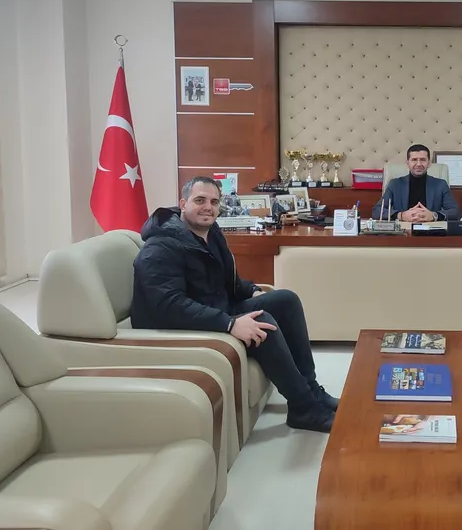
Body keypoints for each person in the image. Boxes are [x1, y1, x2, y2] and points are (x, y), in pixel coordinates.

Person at [130, 176, 338, 433]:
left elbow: (225, 280)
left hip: (210, 310)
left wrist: (250, 290)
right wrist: (229, 324)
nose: (208, 207)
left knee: (286, 300)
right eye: (200, 200)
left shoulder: (210, 233)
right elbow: (168, 306)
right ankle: (303, 408)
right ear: (183, 204)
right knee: (261, 321)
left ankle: (312, 390)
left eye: (214, 202)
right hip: (176, 327)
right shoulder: (160, 247)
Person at [372, 144, 461, 221]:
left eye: (423, 160)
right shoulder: (395, 184)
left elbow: (455, 212)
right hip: (403, 230)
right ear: (408, 163)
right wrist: (401, 215)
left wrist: (434, 215)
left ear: (429, 163)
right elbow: (377, 211)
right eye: (414, 160)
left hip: (431, 230)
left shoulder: (440, 185)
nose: (418, 164)